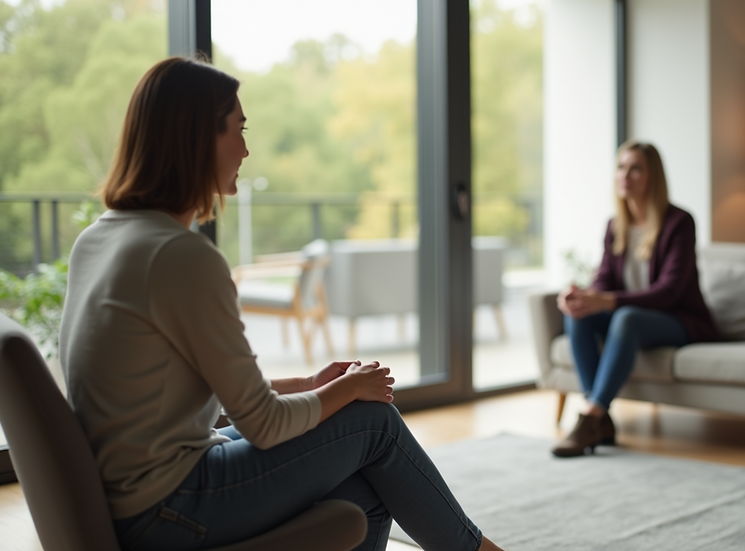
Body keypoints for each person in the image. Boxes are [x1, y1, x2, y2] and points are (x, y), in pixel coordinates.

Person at [59, 57, 505, 551]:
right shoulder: (180, 256)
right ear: (196, 139)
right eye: (238, 130)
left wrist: (311, 385)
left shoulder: (99, 239)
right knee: (374, 423)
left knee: (365, 493)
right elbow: (264, 425)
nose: (245, 149)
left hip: (133, 499)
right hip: (170, 508)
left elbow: (201, 395)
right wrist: (350, 389)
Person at [553, 141, 719, 458]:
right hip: (632, 318)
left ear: (652, 176)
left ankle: (591, 417)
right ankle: (597, 416)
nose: (625, 175)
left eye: (635, 168)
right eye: (621, 167)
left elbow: (669, 292)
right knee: (580, 314)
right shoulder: (615, 225)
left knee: (626, 317)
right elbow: (604, 279)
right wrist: (583, 297)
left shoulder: (679, 223)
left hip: (679, 320)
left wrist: (608, 301)